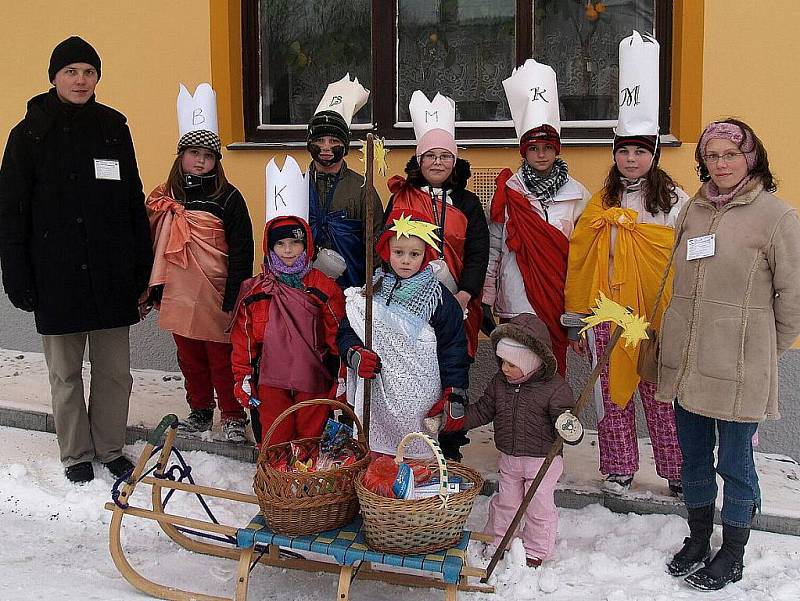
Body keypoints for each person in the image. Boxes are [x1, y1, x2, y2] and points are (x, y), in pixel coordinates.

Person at [0, 36, 153, 483]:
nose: (81, 80)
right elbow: (10, 211)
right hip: (55, 275)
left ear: (97, 78)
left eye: (89, 72)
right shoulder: (27, 134)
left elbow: (131, 200)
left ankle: (109, 447)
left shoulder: (113, 128)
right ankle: (76, 454)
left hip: (110, 273)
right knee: (65, 375)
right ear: (54, 77)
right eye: (71, 71)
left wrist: (142, 268)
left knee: (115, 373)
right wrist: (16, 274)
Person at [658, 119, 800, 591]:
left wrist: (761, 349)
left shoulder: (776, 216)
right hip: (688, 362)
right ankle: (698, 538)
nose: (720, 164)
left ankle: (733, 552)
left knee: (735, 465)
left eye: (730, 155)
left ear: (751, 157)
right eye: (712, 156)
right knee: (693, 459)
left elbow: (793, 299)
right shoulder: (693, 211)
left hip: (738, 368)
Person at [565, 31, 687, 495]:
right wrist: (577, 317)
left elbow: (691, 252)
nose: (631, 158)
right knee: (612, 396)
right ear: (614, 154)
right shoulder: (600, 201)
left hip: (656, 314)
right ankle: (618, 464)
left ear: (653, 155)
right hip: (607, 315)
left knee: (660, 395)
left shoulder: (674, 202)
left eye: (640, 150)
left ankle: (676, 471)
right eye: (624, 150)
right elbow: (581, 257)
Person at [144, 84, 254, 443]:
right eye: (194, 153)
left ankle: (234, 414)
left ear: (216, 161)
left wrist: (236, 292)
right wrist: (155, 289)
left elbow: (241, 248)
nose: (201, 161)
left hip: (216, 290)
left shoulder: (229, 198)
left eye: (208, 155)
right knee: (190, 357)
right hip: (178, 291)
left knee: (222, 357)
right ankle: (201, 409)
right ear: (181, 156)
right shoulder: (166, 197)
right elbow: (157, 244)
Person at [383, 91, 489, 461]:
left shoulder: (468, 203)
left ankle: (449, 446)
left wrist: (466, 293)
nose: (438, 161)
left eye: (445, 155)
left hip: (455, 305)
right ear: (419, 160)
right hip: (406, 306)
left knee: (452, 373)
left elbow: (478, 254)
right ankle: (408, 444)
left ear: (455, 160)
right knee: (411, 375)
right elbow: (385, 247)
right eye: (431, 155)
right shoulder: (401, 197)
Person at [431, 313, 573, 567]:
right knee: (506, 502)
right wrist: (452, 421)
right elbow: (484, 409)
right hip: (510, 456)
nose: (504, 368)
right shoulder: (500, 382)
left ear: (530, 361)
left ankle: (536, 550)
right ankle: (499, 540)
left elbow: (564, 418)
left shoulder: (554, 387)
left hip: (542, 459)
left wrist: (568, 425)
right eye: (502, 361)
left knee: (538, 505)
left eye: (511, 363)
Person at [484, 59, 590, 376]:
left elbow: (583, 256)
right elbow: (494, 248)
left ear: (557, 150)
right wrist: (487, 298)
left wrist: (580, 310)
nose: (541, 154)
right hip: (517, 299)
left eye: (547, 147)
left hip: (559, 300)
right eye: (534, 148)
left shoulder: (578, 194)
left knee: (552, 372)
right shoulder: (508, 193)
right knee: (516, 370)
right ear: (524, 152)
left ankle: (549, 426)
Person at [337, 209, 470, 459]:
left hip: (420, 398)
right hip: (378, 395)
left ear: (426, 255)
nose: (406, 260)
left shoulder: (439, 298)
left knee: (418, 457)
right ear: (387, 252)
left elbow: (454, 348)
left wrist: (455, 393)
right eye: (399, 253)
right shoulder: (369, 292)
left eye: (414, 254)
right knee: (378, 458)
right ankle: (380, 494)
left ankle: (417, 494)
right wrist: (355, 354)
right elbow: (348, 330)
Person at [230, 157, 345, 446]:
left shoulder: (322, 287)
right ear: (270, 247)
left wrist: (343, 375)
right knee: (275, 439)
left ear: (307, 244)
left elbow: (338, 332)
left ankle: (310, 488)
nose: (288, 250)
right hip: (270, 382)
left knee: (311, 440)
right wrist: (242, 376)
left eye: (295, 243)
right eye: (280, 244)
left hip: (313, 378)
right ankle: (278, 487)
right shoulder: (256, 290)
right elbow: (243, 338)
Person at [306, 75, 383, 289]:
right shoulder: (295, 185)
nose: (326, 147)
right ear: (309, 144)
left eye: (334, 141)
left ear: (345, 146)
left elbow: (376, 242)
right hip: (303, 291)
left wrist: (375, 282)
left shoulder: (362, 189)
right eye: (319, 140)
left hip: (351, 290)